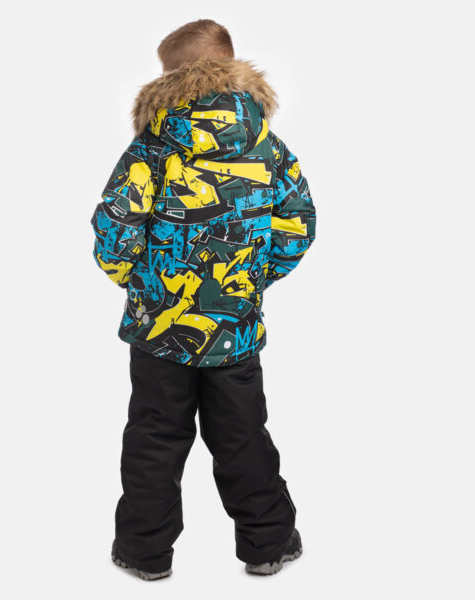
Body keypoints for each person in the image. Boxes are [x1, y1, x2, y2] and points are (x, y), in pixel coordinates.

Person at [91, 18, 317, 580]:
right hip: (233, 328)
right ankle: (268, 544)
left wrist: (139, 282)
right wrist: (250, 279)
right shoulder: (266, 145)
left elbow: (116, 224)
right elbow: (298, 222)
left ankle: (144, 554)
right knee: (243, 436)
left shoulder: (154, 146)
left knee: (154, 438)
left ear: (172, 79)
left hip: (159, 330)